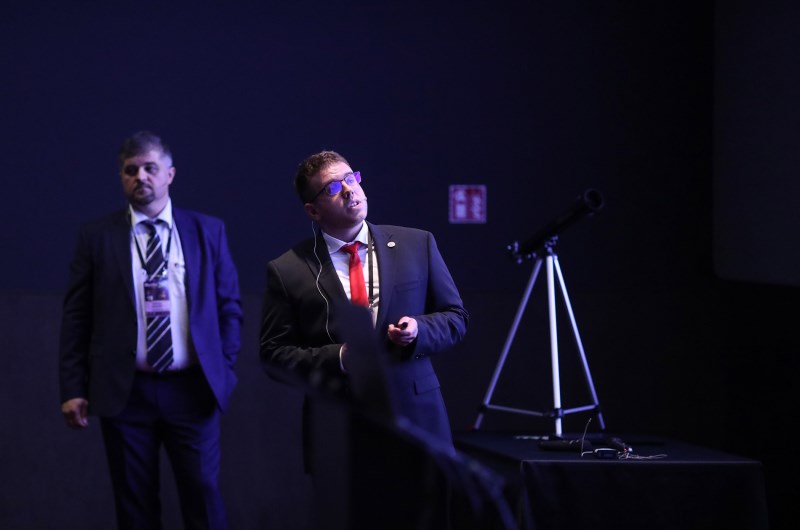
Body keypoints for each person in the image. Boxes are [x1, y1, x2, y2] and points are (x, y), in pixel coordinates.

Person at [59, 131, 243, 530]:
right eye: (131, 170)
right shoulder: (97, 237)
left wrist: (222, 367)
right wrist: (73, 387)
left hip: (193, 389)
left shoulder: (207, 230)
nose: (140, 176)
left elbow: (229, 306)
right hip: (126, 393)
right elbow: (77, 317)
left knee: (204, 497)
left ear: (170, 174)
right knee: (135, 505)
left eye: (150, 168)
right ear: (121, 178)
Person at [259, 149, 469, 466]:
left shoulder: (417, 244)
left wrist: (419, 330)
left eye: (351, 178)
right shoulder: (288, 269)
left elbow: (456, 318)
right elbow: (274, 354)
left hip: (418, 422)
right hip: (339, 430)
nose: (348, 190)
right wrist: (339, 357)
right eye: (332, 188)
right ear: (313, 211)